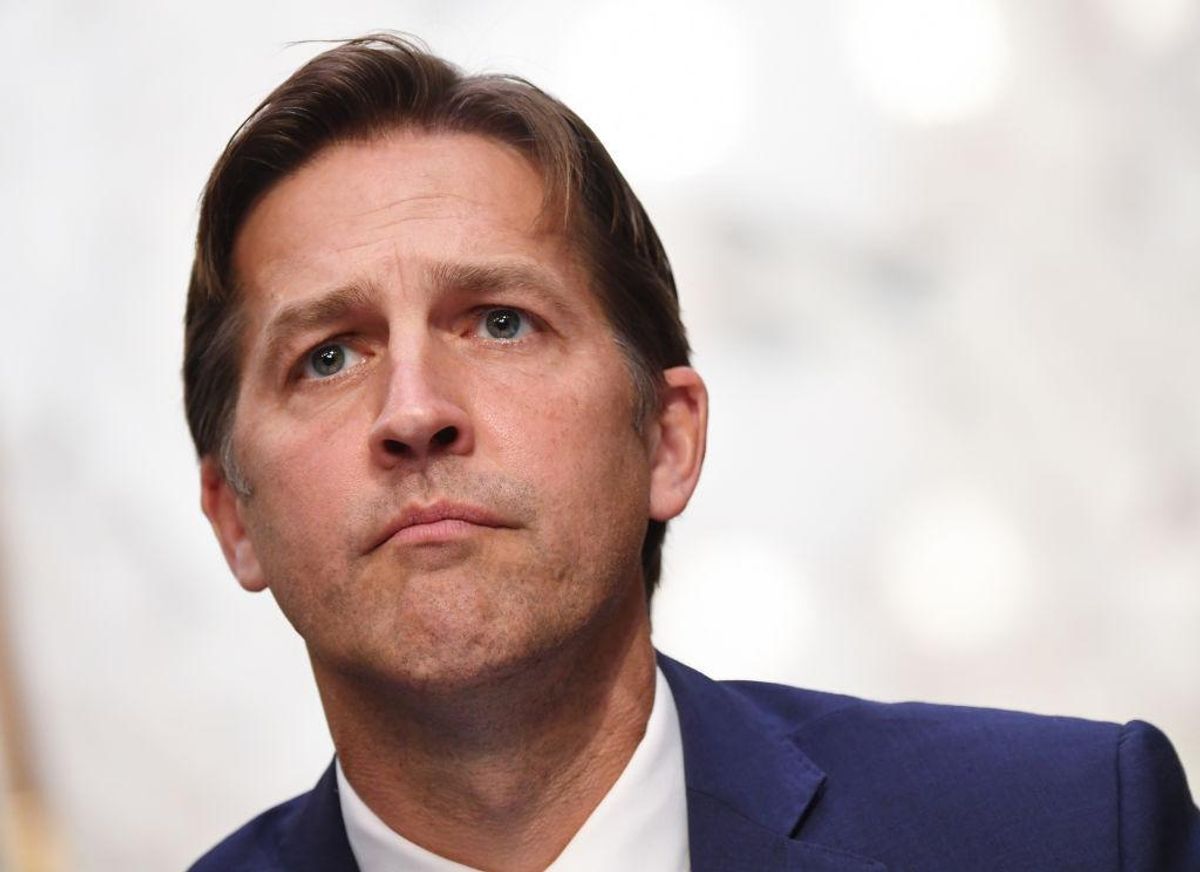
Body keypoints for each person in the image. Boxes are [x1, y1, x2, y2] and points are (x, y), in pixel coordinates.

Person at [184, 33, 1199, 872]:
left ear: (667, 439)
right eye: (326, 356)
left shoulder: (1076, 830)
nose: (414, 411)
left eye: (500, 322)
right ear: (235, 516)